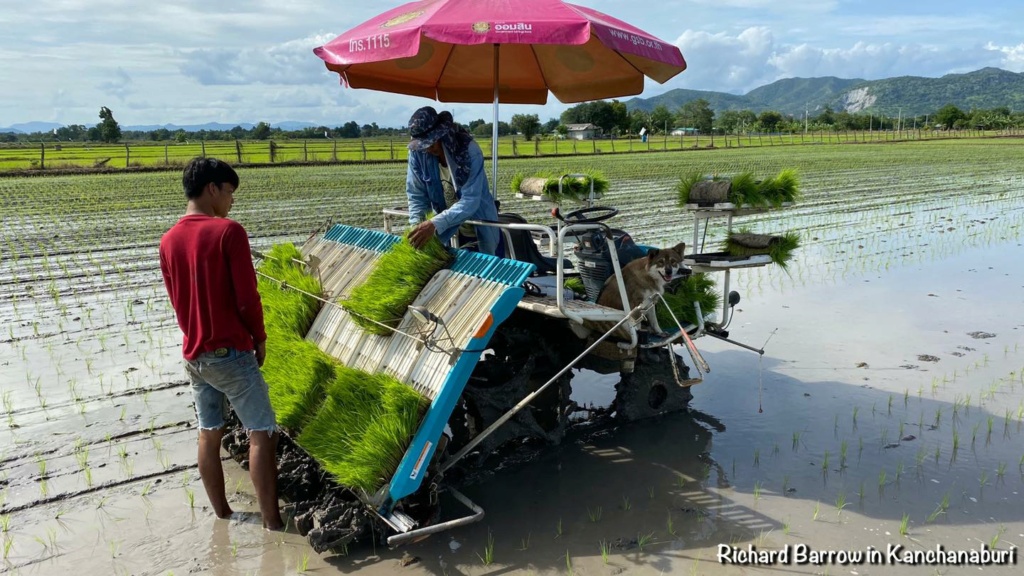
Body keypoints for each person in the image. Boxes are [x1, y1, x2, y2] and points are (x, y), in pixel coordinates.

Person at [159, 157, 284, 531]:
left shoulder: (168, 240)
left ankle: (223, 514)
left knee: (209, 431)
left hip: (194, 354)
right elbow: (247, 297)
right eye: (229, 192)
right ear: (212, 188)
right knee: (262, 433)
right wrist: (258, 338)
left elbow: (177, 300)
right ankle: (273, 523)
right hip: (231, 352)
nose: (231, 201)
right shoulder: (228, 232)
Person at [405, 106, 501, 256]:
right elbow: (416, 194)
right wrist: (417, 227)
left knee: (489, 274)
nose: (428, 149)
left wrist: (434, 223)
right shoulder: (418, 153)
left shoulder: (468, 151)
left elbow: (470, 201)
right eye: (424, 145)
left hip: (479, 224)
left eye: (431, 143)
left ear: (441, 134)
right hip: (447, 230)